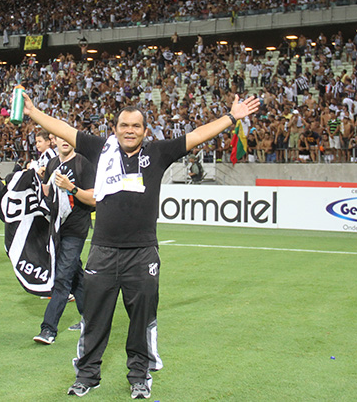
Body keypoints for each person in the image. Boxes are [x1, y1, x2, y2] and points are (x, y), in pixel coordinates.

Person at [23, 91, 260, 399]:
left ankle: (138, 376)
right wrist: (33, 112)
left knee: (141, 321)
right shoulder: (101, 149)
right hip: (103, 251)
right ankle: (87, 375)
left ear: (145, 131)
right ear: (115, 128)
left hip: (142, 253)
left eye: (136, 126)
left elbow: (198, 135)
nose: (129, 130)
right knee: (94, 319)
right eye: (124, 125)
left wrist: (231, 117)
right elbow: (63, 129)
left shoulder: (158, 153)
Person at [33, 135, 96, 345]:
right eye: (59, 138)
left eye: (67, 137)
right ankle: (91, 319)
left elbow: (94, 199)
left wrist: (71, 188)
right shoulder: (52, 163)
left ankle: (48, 329)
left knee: (62, 278)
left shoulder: (83, 163)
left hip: (76, 228)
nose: (64, 141)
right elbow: (45, 190)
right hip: (57, 227)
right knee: (75, 273)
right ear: (54, 141)